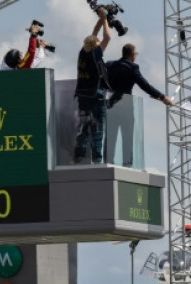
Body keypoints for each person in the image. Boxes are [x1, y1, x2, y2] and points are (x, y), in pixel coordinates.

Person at [104, 43, 173, 166]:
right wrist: (162, 97)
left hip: (111, 106)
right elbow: (144, 85)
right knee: (127, 137)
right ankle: (127, 164)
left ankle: (108, 162)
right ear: (133, 55)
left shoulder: (109, 65)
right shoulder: (132, 67)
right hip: (126, 107)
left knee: (110, 136)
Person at [73, 7, 111, 164]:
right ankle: (97, 160)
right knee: (97, 130)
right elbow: (107, 37)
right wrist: (106, 19)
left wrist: (101, 19)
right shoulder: (95, 55)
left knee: (83, 129)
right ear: (96, 46)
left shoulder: (83, 52)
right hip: (96, 96)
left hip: (83, 97)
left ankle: (79, 157)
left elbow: (94, 35)